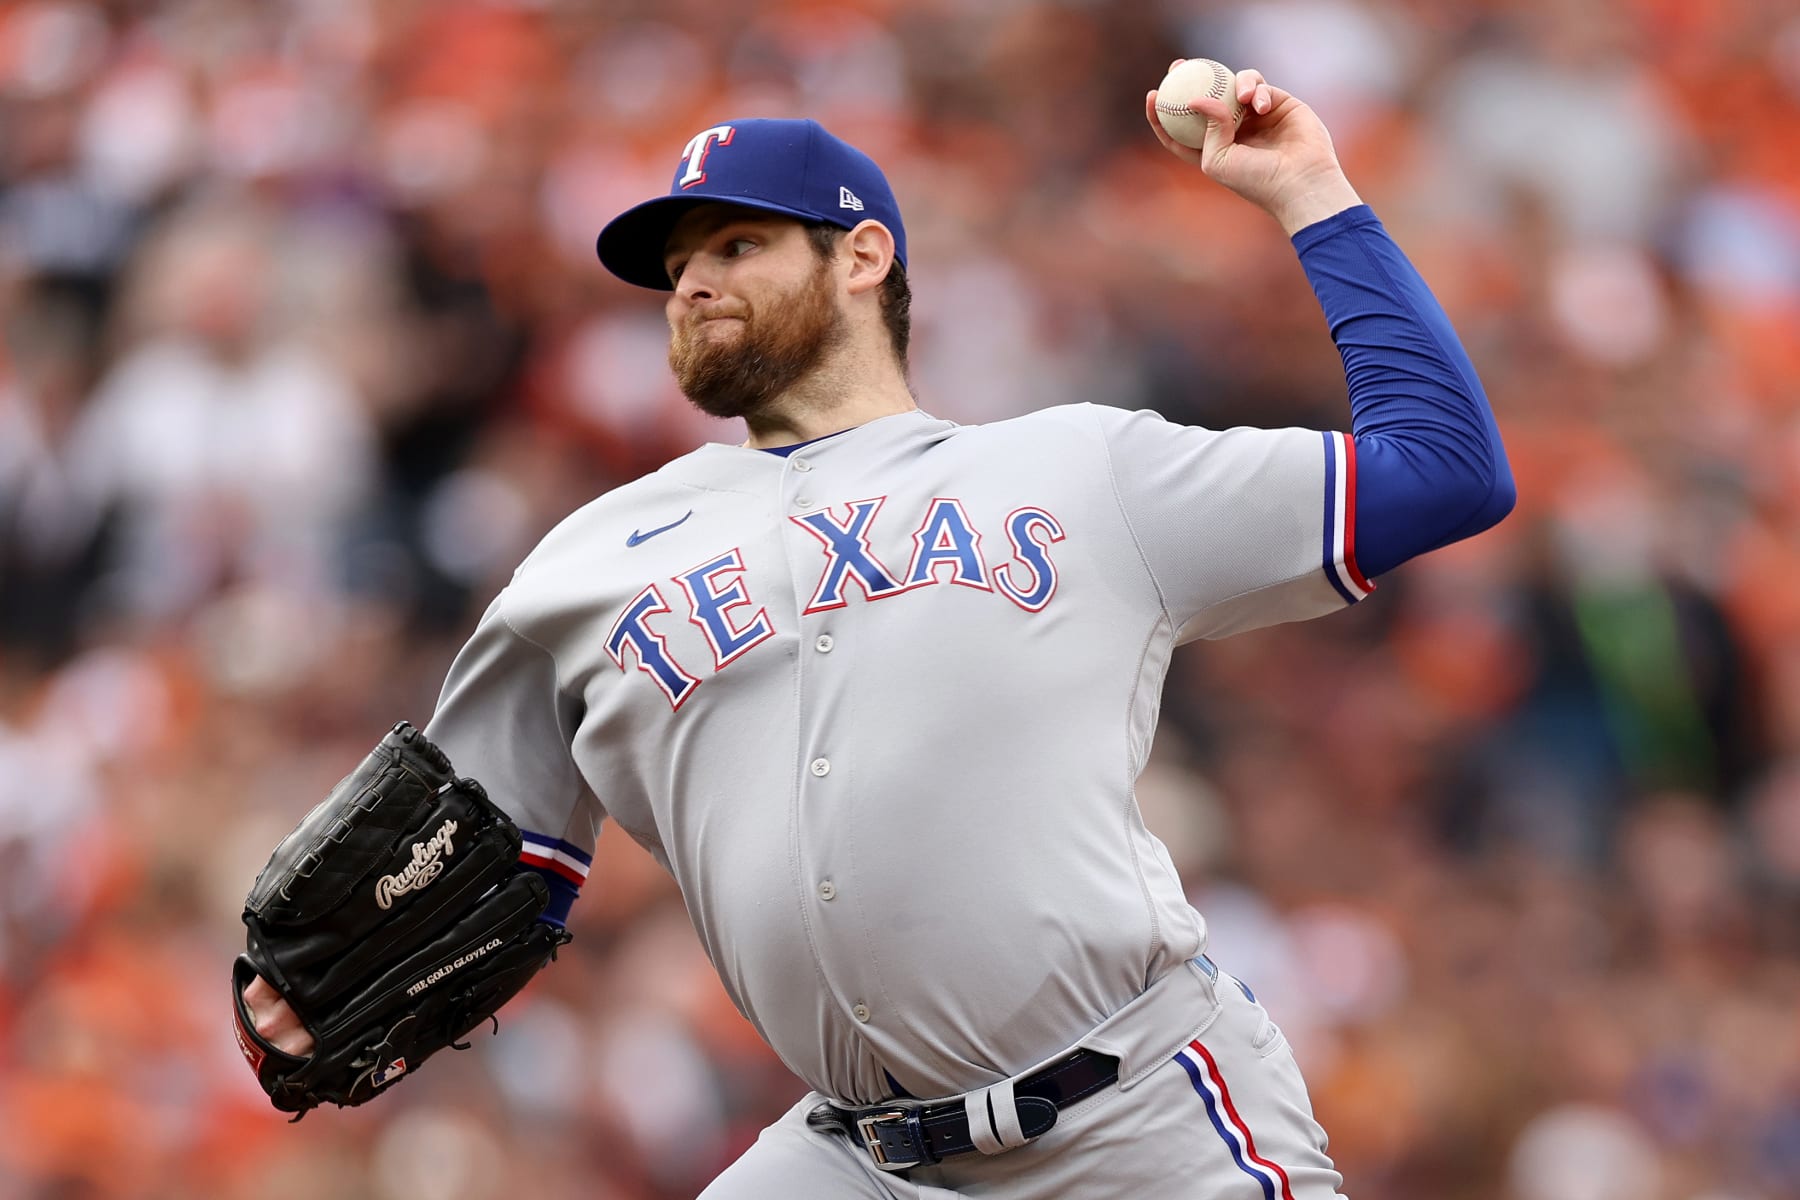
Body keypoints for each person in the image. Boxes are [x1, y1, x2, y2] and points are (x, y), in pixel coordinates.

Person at [243, 64, 1513, 1197]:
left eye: (736, 244)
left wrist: (1312, 194)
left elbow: (1447, 468)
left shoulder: (1076, 469)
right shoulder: (585, 565)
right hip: (856, 1156)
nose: (690, 280)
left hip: (1135, 1126)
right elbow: (463, 854)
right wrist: (311, 981)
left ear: (861, 258)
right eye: (676, 265)